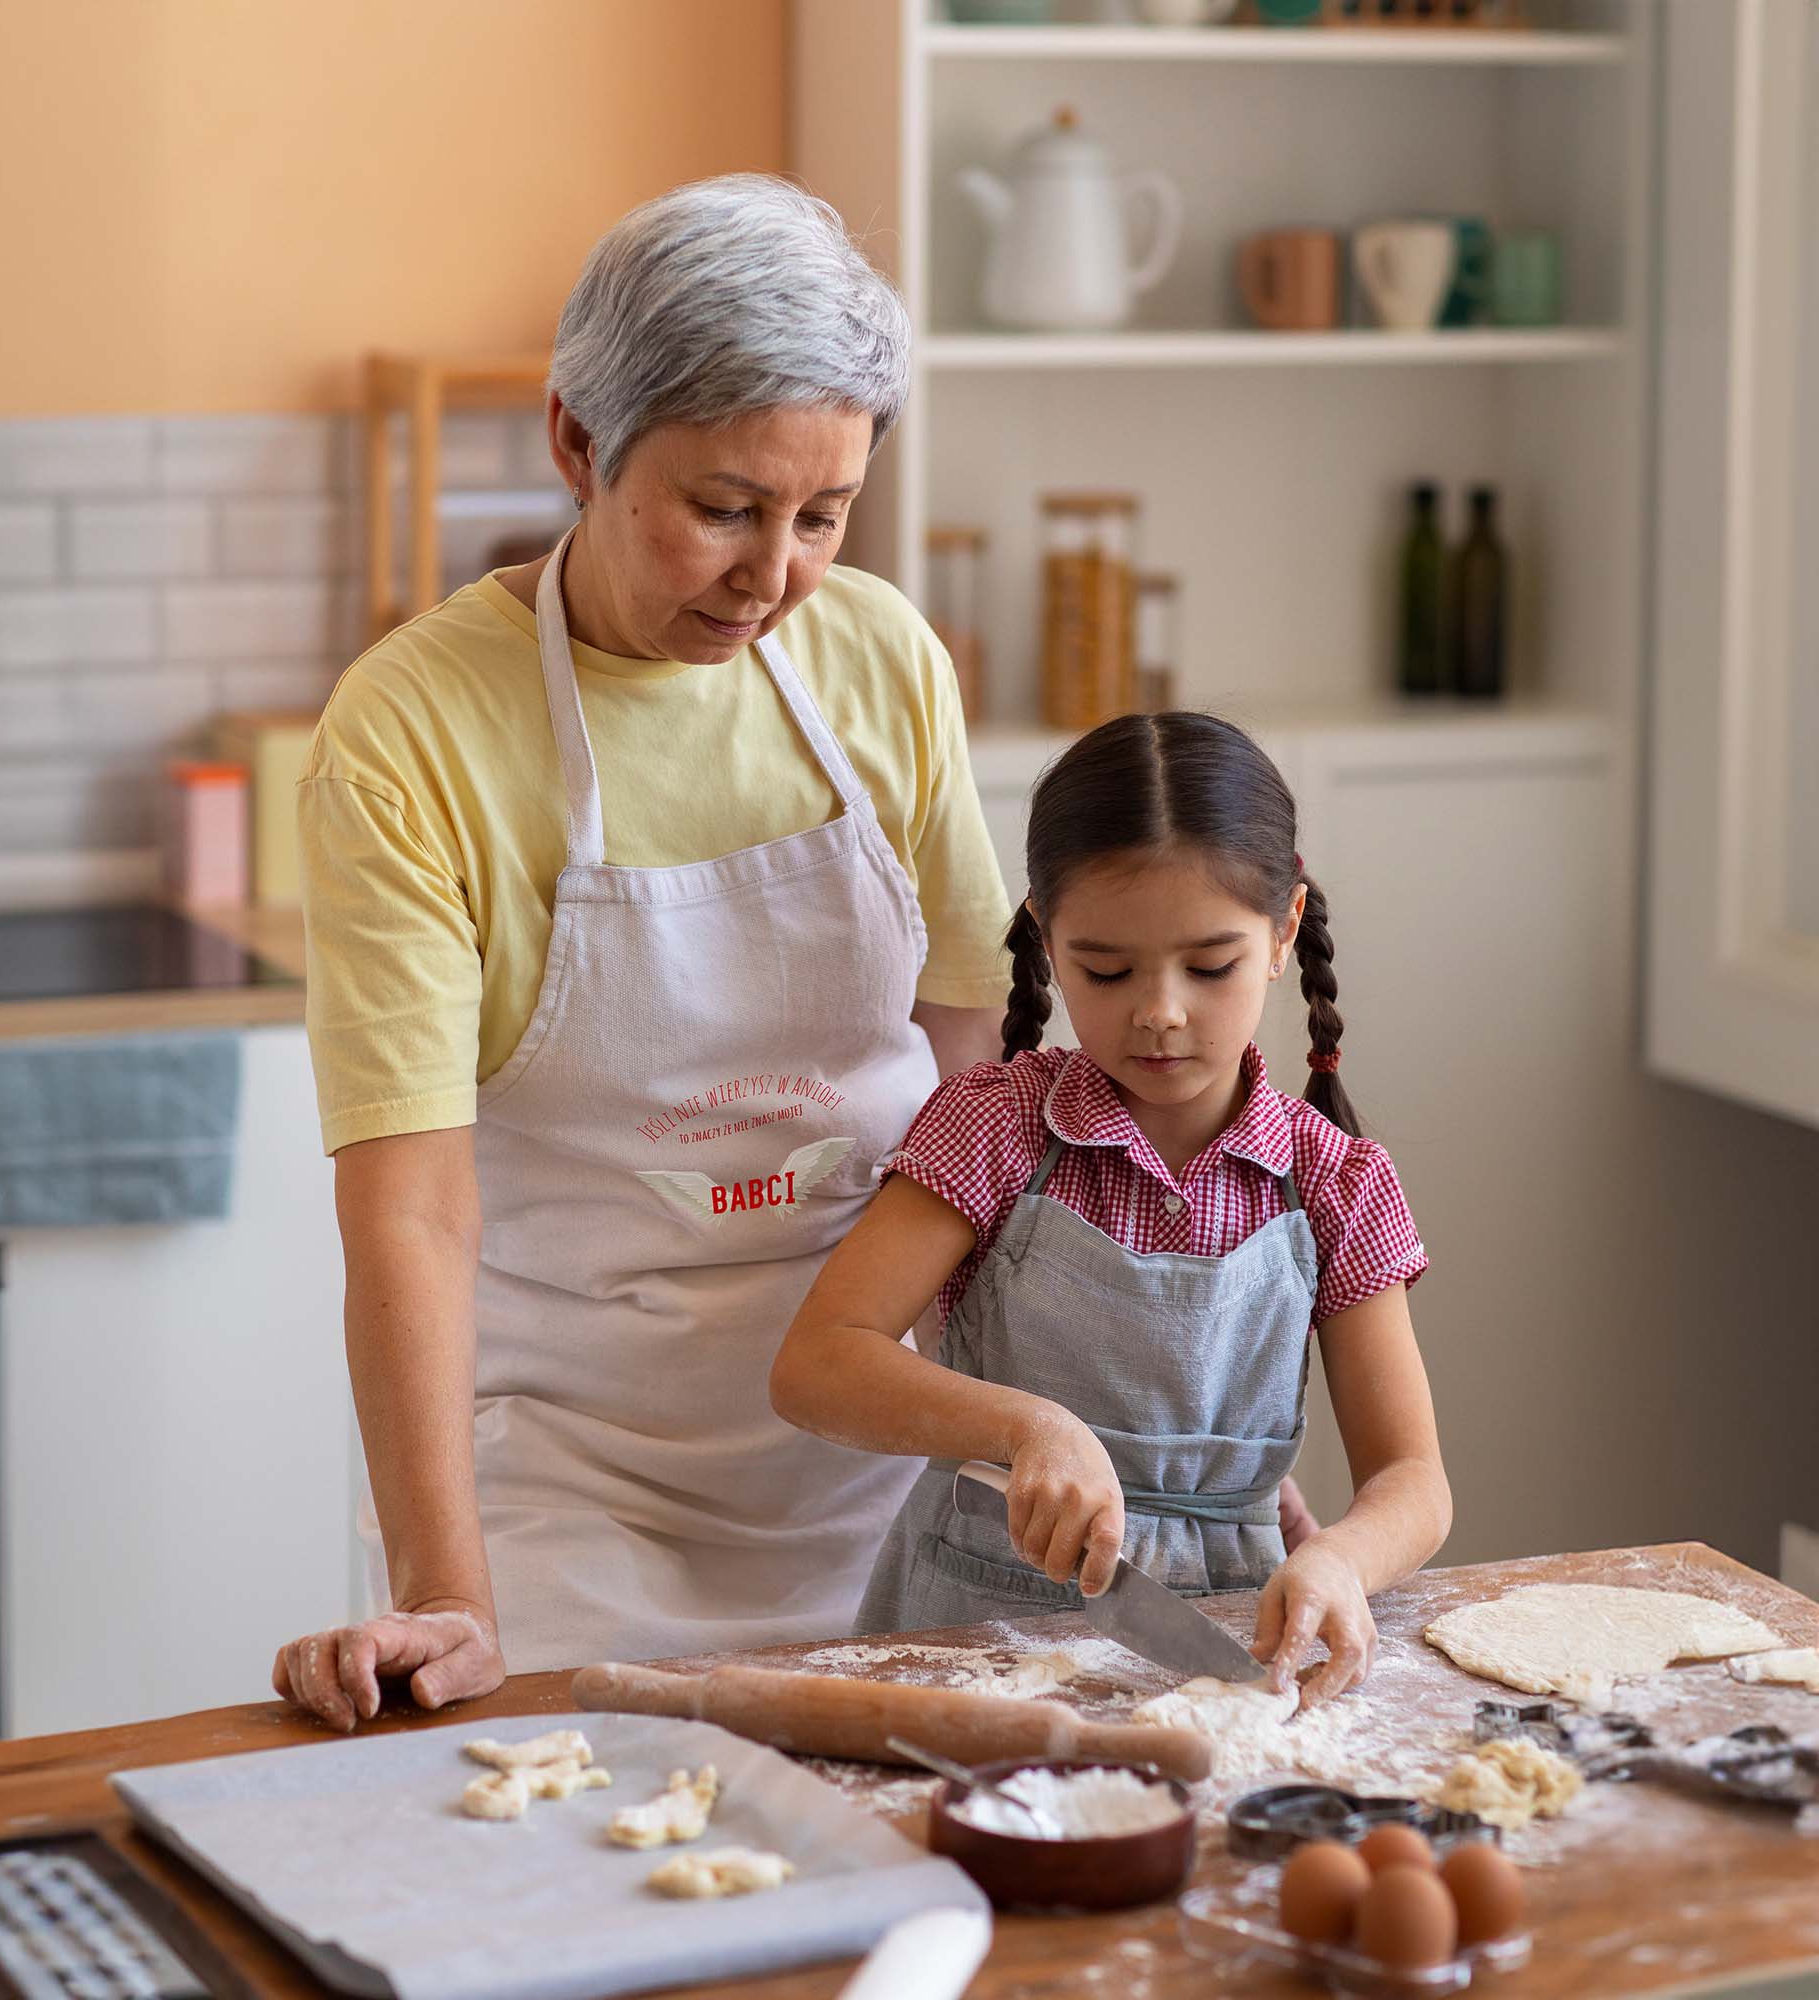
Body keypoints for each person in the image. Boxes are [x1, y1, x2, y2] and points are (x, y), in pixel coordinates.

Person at [270, 175, 1017, 1728]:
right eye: (725, 508)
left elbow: (978, 1073)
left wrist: (1120, 1416)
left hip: (897, 1472)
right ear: (576, 443)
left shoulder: (879, 655)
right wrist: (448, 1599)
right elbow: (410, 1214)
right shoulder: (413, 735)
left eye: (823, 516)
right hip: (577, 1508)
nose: (773, 578)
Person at [770, 712, 1452, 1708]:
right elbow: (815, 1364)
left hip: (1230, 1642)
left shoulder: (1333, 1180)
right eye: (1104, 968)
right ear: (1045, 939)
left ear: (1282, 932)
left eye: (1208, 965)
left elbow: (1412, 1477)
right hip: (968, 1647)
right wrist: (1027, 1426)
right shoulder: (990, 1127)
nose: (1158, 1009)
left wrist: (1344, 1557)